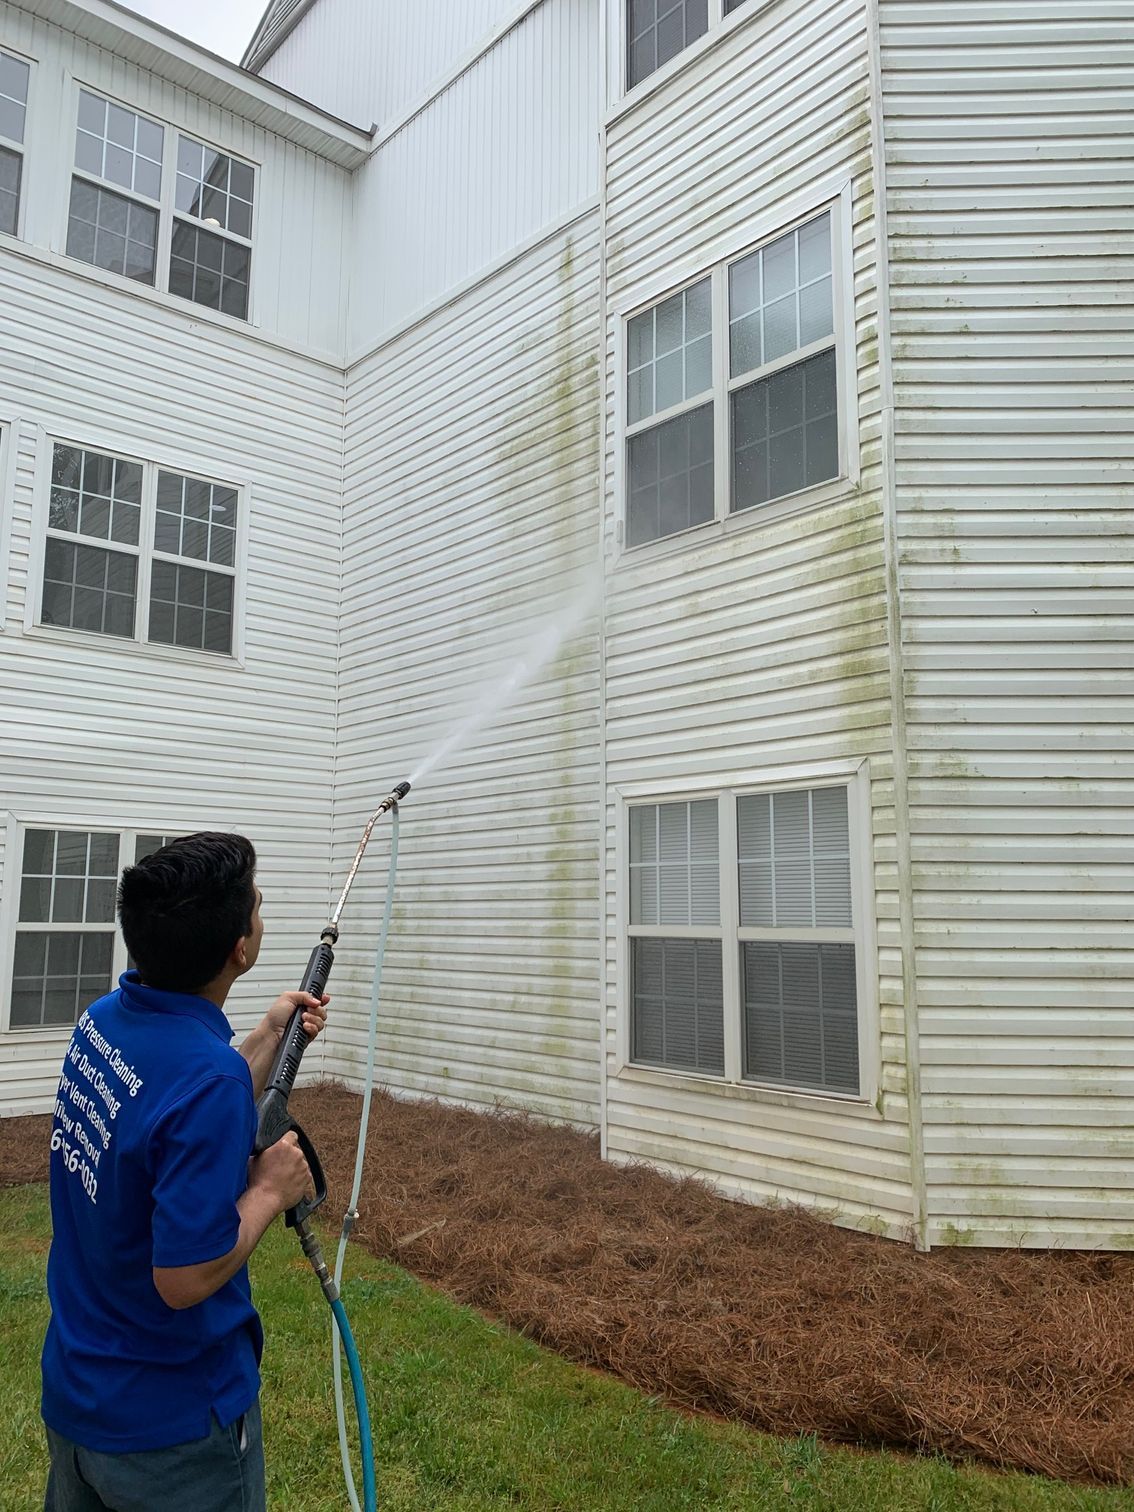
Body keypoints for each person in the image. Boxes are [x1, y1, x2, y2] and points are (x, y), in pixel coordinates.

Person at [41, 832, 329, 1512]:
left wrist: (264, 1036)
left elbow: (169, 1114)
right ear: (240, 950)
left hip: (81, 1396)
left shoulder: (105, 1022)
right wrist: (267, 1191)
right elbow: (183, 1278)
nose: (260, 907)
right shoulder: (206, 1081)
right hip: (171, 1435)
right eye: (256, 902)